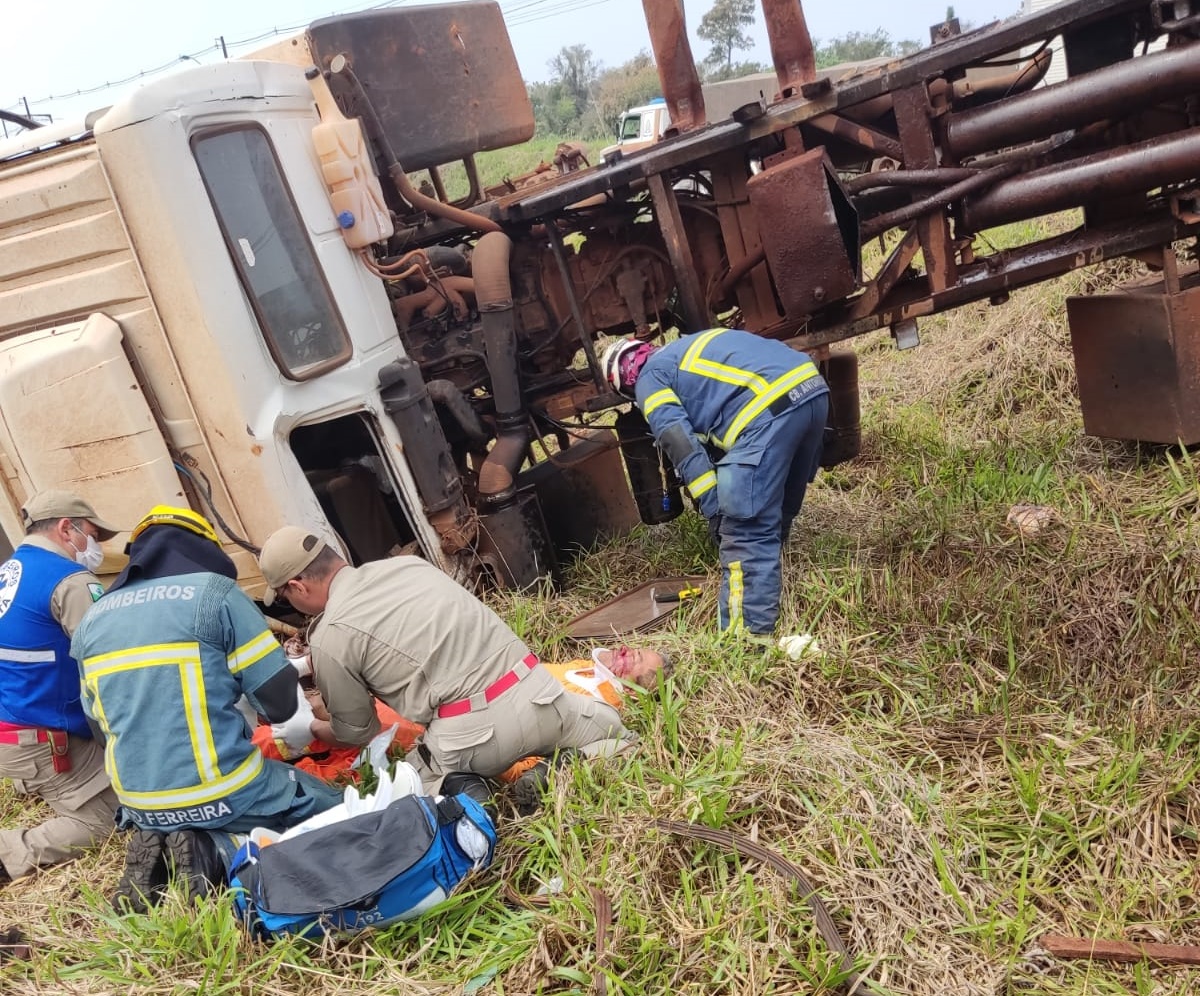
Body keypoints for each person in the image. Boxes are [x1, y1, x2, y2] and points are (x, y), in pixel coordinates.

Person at [70, 506, 343, 912]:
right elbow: (281, 704)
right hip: (223, 791)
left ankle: (167, 843)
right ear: (203, 548)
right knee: (333, 812)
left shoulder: (93, 619)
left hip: (138, 803)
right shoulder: (214, 592)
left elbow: (97, 723)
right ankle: (216, 849)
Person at [255, 527, 636, 804]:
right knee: (622, 739)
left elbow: (357, 731)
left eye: (287, 596)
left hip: (472, 737)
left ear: (298, 586)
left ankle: (468, 795)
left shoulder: (330, 636)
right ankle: (562, 768)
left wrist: (312, 728)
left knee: (410, 790)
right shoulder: (409, 567)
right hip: (541, 694)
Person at [603, 330, 830, 635]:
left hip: (768, 412)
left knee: (744, 532)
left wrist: (717, 512)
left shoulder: (648, 380)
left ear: (623, 384)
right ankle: (779, 573)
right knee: (777, 508)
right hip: (812, 389)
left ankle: (744, 637)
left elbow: (681, 445)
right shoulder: (686, 350)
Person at [0, 490, 121, 885]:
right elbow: (110, 663)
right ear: (67, 528)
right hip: (42, 741)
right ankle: (12, 853)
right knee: (112, 816)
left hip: (16, 727)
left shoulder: (10, 573)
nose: (96, 546)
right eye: (93, 534)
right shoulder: (70, 581)